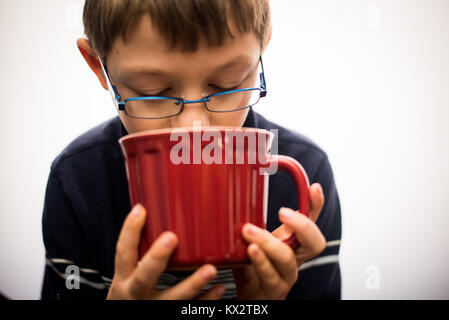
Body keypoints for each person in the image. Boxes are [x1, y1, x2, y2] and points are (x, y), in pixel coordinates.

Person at [41, 0, 342, 300]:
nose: (194, 130)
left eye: (226, 84)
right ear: (99, 68)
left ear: (260, 51)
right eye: (154, 92)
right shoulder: (76, 181)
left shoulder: (303, 179)